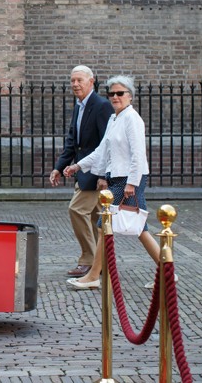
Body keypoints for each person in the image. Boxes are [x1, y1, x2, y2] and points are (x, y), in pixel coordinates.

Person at [63, 75, 161, 290]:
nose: (115, 97)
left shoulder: (132, 119)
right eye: (111, 94)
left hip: (127, 180)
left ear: (130, 96)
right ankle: (167, 272)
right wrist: (78, 166)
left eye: (120, 93)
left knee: (104, 226)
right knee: (138, 229)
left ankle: (93, 276)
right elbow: (102, 151)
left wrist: (132, 183)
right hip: (116, 178)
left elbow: (138, 154)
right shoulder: (114, 119)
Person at [49, 65, 114, 278]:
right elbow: (72, 141)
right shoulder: (79, 106)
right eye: (72, 80)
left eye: (79, 80)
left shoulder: (102, 106)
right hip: (83, 171)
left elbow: (107, 144)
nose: (75, 84)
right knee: (97, 219)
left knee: (76, 209)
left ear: (91, 81)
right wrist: (59, 167)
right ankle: (101, 262)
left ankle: (88, 260)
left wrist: (104, 176)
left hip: (95, 173)